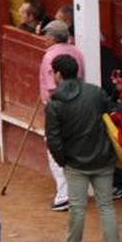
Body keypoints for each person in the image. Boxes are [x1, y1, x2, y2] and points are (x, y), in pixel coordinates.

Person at [44, 54, 122, 242]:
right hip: (102, 157)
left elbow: (54, 139)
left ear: (58, 74)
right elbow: (113, 112)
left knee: (77, 210)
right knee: (106, 207)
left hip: (76, 162)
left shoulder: (55, 104)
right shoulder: (94, 92)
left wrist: (64, 161)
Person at [38, 19, 86, 212]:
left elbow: (51, 88)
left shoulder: (50, 56)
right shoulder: (76, 51)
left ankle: (64, 194)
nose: (43, 39)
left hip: (58, 108)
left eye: (46, 35)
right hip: (78, 104)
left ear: (52, 37)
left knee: (54, 147)